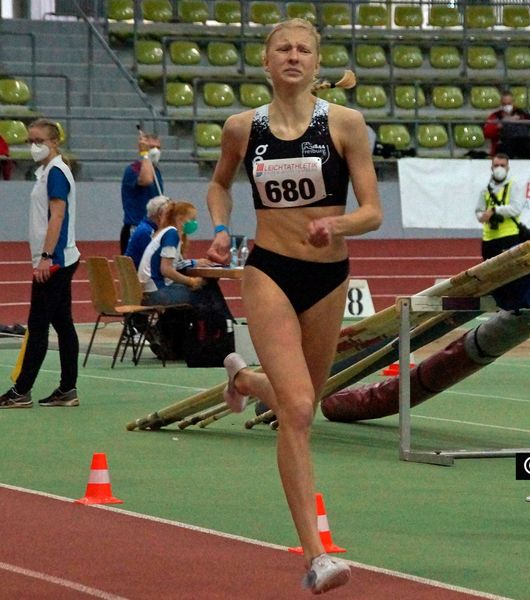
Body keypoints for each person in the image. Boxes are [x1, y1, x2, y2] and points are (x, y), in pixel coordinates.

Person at [205, 18, 382, 595]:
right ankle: (316, 555)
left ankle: (244, 379)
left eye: (304, 49)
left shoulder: (346, 124)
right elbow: (220, 184)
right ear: (265, 59)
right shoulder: (241, 127)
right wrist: (219, 227)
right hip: (269, 271)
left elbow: (373, 211)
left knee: (304, 396)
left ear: (316, 61)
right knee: (300, 411)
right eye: (283, 47)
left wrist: (339, 221)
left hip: (328, 276)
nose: (294, 55)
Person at [0, 118, 80, 408]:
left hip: (55, 261)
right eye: (30, 141)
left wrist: (47, 257)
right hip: (58, 258)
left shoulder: (57, 172)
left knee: (37, 326)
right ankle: (68, 389)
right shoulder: (46, 172)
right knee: (63, 324)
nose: (33, 146)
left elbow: (57, 217)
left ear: (54, 142)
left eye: (39, 141)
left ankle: (21, 391)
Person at [475, 153, 530, 309]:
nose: (499, 168)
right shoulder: (485, 189)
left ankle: (513, 304)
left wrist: (495, 210)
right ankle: (497, 303)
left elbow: (516, 208)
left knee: (510, 273)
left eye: (502, 165)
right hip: (489, 238)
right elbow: (478, 211)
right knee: (490, 273)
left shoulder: (513, 186)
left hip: (508, 237)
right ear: (491, 167)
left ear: (508, 167)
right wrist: (483, 216)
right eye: (496, 165)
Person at [138, 200, 207, 307]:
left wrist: (194, 263)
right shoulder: (171, 234)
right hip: (156, 292)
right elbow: (166, 270)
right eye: (192, 219)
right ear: (180, 218)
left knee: (192, 289)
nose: (195, 223)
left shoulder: (164, 232)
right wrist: (191, 281)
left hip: (148, 290)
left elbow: (173, 264)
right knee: (203, 294)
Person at [120, 132, 164, 254]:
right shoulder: (134, 169)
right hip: (136, 228)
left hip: (153, 229)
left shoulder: (157, 172)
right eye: (151, 147)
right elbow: (146, 180)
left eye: (158, 148)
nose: (155, 151)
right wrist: (145, 155)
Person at [483, 91, 530, 159]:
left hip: (523, 149)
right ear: (501, 104)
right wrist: (501, 123)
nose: (507, 106)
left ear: (513, 102)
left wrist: (520, 120)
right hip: (502, 150)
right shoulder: (495, 116)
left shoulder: (522, 114)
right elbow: (487, 133)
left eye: (509, 103)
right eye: (504, 104)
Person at [124, 194, 170, 269]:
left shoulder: (144, 227)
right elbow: (159, 262)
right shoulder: (147, 232)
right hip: (142, 276)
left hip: (135, 274)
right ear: (160, 215)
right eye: (169, 215)